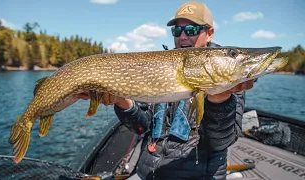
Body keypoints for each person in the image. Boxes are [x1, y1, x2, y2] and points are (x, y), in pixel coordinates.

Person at [76, 1, 255, 179]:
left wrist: (219, 101)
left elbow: (221, 141)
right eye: (177, 30)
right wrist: (121, 101)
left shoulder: (226, 74)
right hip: (149, 173)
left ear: (209, 33)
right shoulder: (162, 69)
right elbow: (142, 127)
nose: (182, 37)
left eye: (191, 30)